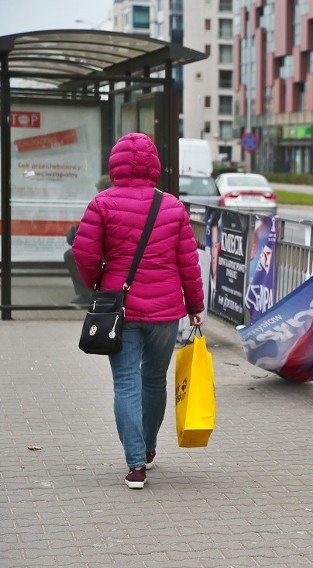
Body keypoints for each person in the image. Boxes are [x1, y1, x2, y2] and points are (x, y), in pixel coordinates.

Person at [72, 133, 205, 489]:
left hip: (120, 308)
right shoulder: (172, 207)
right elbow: (188, 263)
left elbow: (83, 254)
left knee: (125, 383)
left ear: (114, 165)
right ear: (154, 166)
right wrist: (195, 306)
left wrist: (100, 282)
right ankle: (147, 448)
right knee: (153, 380)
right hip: (165, 311)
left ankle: (135, 466)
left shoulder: (101, 203)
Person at [65, 174, 112, 306]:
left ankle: (90, 294)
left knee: (77, 254)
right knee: (74, 253)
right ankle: (87, 293)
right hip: (103, 247)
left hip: (111, 250)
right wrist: (76, 232)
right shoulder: (101, 204)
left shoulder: (107, 203)